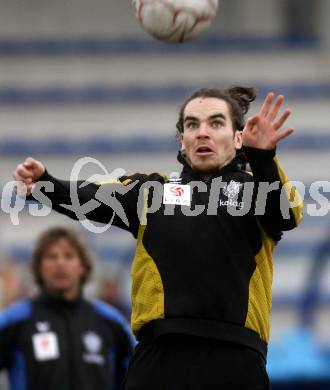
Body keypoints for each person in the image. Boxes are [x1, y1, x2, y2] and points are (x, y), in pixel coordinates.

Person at [13, 87, 303, 389]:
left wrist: (264, 159)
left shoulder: (258, 190)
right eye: (192, 125)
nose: (202, 133)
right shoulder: (151, 192)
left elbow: (287, 216)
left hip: (235, 362)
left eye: (216, 123)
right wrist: (45, 184)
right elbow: (89, 197)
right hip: (160, 360)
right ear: (182, 140)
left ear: (238, 137)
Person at [0, 227, 134, 390]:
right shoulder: (15, 319)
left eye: (69, 256)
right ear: (39, 268)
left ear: (82, 266)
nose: (60, 263)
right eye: (51, 256)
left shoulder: (111, 321)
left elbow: (139, 375)